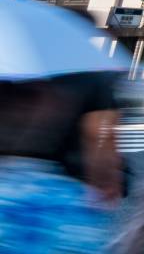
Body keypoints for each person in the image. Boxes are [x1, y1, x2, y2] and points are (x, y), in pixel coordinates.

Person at [0, 78, 115, 253]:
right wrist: (105, 179)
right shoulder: (86, 75)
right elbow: (97, 132)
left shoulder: (8, 66)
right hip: (60, 192)